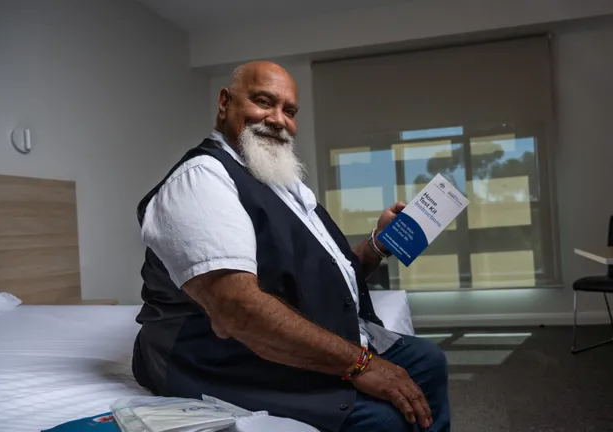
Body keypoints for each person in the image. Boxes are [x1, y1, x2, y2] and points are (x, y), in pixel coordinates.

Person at [131, 61, 450, 432]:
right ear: (224, 103)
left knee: (428, 361)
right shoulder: (200, 181)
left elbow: (323, 276)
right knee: (383, 420)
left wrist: (378, 245)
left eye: (290, 111)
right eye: (264, 102)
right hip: (219, 360)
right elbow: (239, 314)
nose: (278, 119)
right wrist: (360, 364)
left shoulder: (281, 184)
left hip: (267, 343)